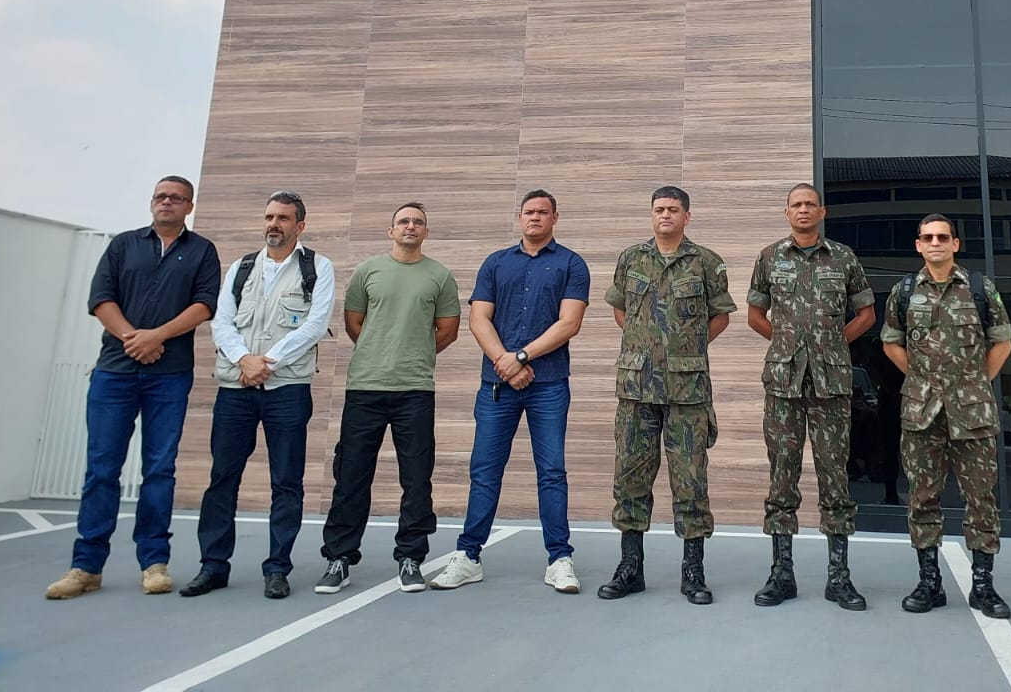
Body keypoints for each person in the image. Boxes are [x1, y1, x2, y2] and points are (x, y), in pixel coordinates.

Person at [45, 177, 221, 600]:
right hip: (114, 373)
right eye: (160, 196)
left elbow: (205, 305)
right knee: (101, 469)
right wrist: (134, 340)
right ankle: (85, 567)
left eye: (175, 198)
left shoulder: (201, 251)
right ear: (152, 202)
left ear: (189, 206)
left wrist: (156, 336)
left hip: (170, 375)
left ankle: (154, 563)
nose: (166, 202)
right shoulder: (124, 245)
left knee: (159, 470)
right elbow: (101, 299)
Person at [431, 190, 590, 594]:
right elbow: (478, 318)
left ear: (556, 217)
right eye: (528, 212)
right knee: (484, 471)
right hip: (496, 386)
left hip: (549, 385)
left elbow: (569, 323)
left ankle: (559, 559)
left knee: (551, 472)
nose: (535, 218)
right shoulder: (495, 262)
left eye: (542, 212)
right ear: (519, 218)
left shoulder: (572, 263)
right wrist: (505, 362)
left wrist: (519, 356)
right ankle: (468, 556)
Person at [179, 191, 335, 600]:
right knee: (222, 479)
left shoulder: (317, 267)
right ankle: (213, 566)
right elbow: (221, 322)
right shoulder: (242, 267)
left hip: (287, 389)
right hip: (236, 389)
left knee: (286, 482)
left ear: (300, 225)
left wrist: (267, 361)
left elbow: (315, 325)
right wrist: (244, 360)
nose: (274, 224)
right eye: (269, 216)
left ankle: (277, 568)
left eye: (283, 218)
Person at [597, 186, 735, 605]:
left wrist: (686, 351)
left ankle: (693, 571)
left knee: (691, 479)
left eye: (674, 210)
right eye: (659, 209)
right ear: (651, 215)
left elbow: (721, 316)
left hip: (687, 390)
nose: (666, 215)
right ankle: (630, 567)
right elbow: (622, 311)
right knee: (630, 477)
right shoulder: (631, 259)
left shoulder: (706, 262)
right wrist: (645, 347)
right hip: (637, 388)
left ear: (687, 217)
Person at [315, 201, 460, 595]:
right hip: (365, 387)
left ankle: (411, 557)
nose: (410, 226)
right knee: (350, 476)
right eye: (403, 221)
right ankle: (339, 558)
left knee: (416, 479)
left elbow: (447, 330)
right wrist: (382, 351)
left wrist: (412, 353)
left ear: (426, 232)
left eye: (418, 222)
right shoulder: (368, 271)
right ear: (390, 230)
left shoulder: (440, 276)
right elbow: (354, 323)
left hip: (415, 390)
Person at [746, 182, 876, 611]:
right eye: (796, 205)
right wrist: (786, 342)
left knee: (834, 476)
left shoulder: (843, 258)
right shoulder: (769, 257)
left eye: (810, 204)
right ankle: (781, 574)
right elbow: (755, 315)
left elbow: (866, 314)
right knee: (782, 475)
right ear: (787, 213)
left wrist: (833, 345)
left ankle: (839, 577)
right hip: (783, 382)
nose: (803, 210)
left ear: (822, 212)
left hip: (830, 384)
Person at [881, 213, 1011, 618]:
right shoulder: (904, 291)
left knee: (981, 500)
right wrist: (926, 381)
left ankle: (983, 586)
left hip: (971, 413)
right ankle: (929, 582)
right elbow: (891, 343)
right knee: (922, 498)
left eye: (943, 236)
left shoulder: (979, 288)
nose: (935, 242)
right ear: (918, 245)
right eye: (928, 237)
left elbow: (1002, 342)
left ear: (955, 244)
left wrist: (973, 383)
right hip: (922, 412)